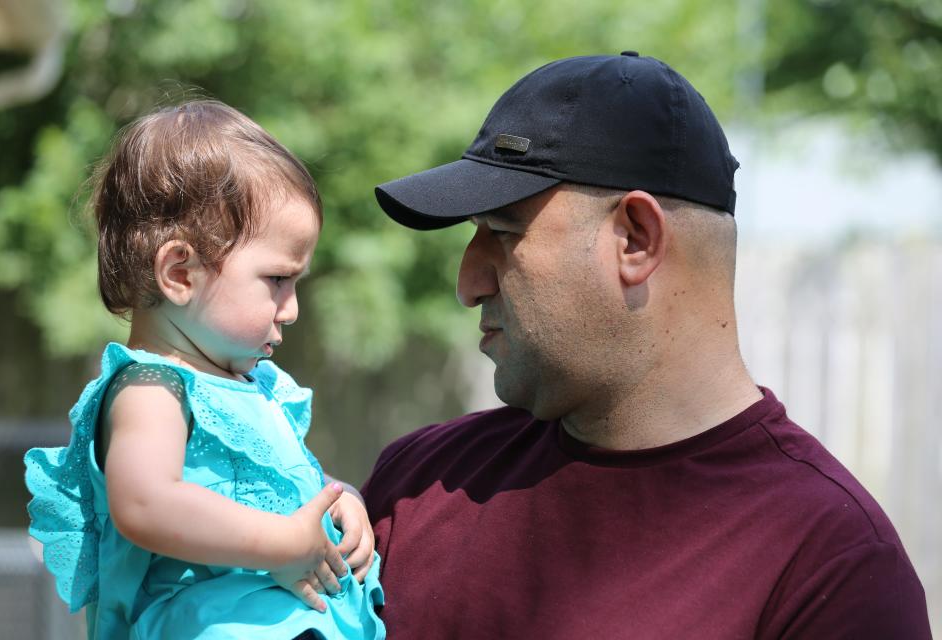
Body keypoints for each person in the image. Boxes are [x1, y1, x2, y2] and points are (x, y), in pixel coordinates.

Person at [364, 53, 932, 638]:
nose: (468, 284)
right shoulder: (418, 482)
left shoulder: (831, 571)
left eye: (503, 233)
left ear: (636, 238)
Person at [24, 101, 384, 640]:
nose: (291, 308)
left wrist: (338, 499)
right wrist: (284, 543)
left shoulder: (252, 386)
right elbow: (146, 503)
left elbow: (267, 482)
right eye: (278, 280)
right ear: (179, 272)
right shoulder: (150, 388)